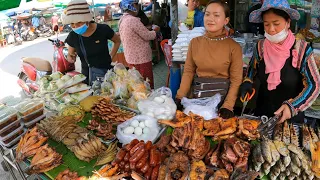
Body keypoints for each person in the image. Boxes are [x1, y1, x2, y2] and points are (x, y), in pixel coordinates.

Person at [240, 0, 320, 124]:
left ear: (288, 22)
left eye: (276, 23)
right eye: (266, 24)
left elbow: (315, 84)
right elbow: (251, 70)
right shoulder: (260, 47)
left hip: (290, 119)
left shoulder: (301, 49)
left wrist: (292, 107)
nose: (271, 29)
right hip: (262, 115)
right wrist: (247, 83)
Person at [176, 0, 243, 119]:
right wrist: (180, 97)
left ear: (226, 20)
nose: (210, 19)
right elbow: (188, 72)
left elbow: (236, 80)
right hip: (197, 99)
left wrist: (227, 106)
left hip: (221, 103)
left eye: (216, 15)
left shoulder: (234, 47)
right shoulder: (195, 43)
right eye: (207, 14)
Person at [63, 0, 121, 85]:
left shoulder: (103, 29)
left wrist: (111, 56)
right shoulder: (73, 35)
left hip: (106, 74)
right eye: (72, 24)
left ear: (87, 19)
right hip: (87, 77)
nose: (75, 26)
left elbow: (117, 41)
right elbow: (70, 55)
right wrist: (71, 58)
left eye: (79, 22)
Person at [119, 0, 159, 89]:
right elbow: (147, 36)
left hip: (131, 57)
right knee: (146, 84)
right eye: (136, 4)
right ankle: (148, 101)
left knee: (137, 84)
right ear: (131, 6)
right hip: (140, 59)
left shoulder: (123, 19)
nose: (138, 7)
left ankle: (141, 100)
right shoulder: (132, 20)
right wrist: (155, 31)